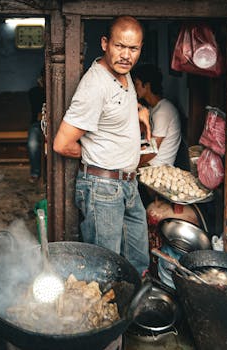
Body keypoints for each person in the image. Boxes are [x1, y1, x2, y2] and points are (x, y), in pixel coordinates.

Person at [53, 16, 151, 275]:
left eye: (133, 49)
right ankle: (105, 315)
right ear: (105, 43)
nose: (126, 55)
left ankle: (130, 312)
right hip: (103, 188)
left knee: (138, 264)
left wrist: (139, 111)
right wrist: (97, 154)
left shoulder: (124, 75)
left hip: (129, 185)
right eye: (120, 46)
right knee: (105, 270)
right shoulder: (95, 85)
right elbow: (62, 144)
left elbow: (116, 108)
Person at [132, 63, 181, 167]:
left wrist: (132, 166)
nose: (135, 88)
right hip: (149, 164)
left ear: (147, 85)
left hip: (157, 168)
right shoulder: (152, 108)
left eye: (137, 84)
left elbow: (152, 151)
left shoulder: (163, 111)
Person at [27, 69, 45, 183]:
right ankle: (35, 173)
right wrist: (43, 88)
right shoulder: (34, 92)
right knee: (32, 144)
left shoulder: (59, 90)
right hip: (37, 124)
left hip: (57, 123)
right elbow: (38, 107)